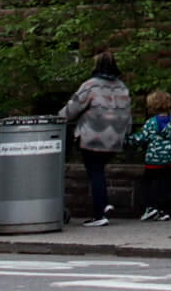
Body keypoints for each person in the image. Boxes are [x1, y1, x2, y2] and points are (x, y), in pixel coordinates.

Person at [58, 52, 132, 226]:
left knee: (95, 172)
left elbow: (73, 107)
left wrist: (57, 119)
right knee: (99, 171)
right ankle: (103, 204)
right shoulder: (122, 87)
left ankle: (100, 212)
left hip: (93, 136)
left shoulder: (91, 85)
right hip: (115, 137)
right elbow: (128, 114)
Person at [135, 90, 171, 222]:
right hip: (168, 159)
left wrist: (128, 140)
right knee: (165, 184)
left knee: (148, 183)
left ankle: (150, 207)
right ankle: (164, 210)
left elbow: (142, 138)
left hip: (153, 159)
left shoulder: (151, 123)